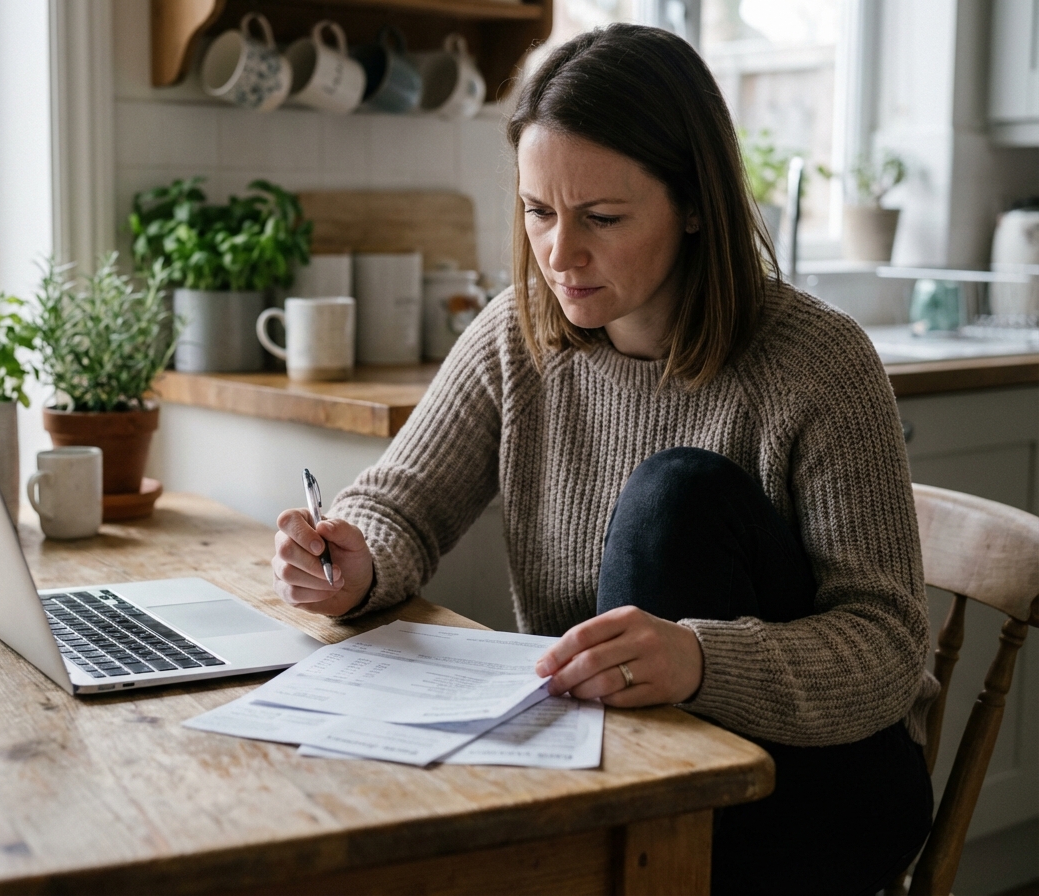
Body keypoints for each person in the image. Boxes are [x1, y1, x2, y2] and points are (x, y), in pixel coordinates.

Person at [271, 24, 936, 896]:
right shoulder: (518, 335)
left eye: (603, 218)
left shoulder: (818, 363)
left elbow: (887, 647)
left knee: (674, 494)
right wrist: (356, 554)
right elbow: (403, 502)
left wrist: (700, 661)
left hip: (810, 784)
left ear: (695, 205)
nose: (559, 254)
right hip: (617, 766)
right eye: (539, 212)